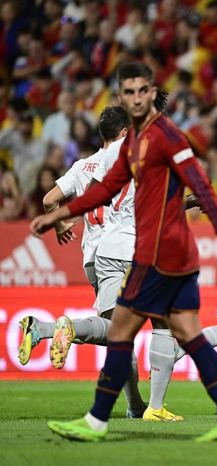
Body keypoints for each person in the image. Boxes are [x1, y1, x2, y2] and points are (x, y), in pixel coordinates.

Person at [30, 62, 217, 443]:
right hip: (150, 252)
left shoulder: (167, 136)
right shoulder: (134, 144)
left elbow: (200, 184)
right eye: (126, 92)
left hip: (166, 255)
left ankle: (97, 420)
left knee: (124, 331)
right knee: (187, 336)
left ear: (150, 95)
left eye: (140, 91)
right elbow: (103, 189)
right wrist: (61, 215)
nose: (134, 98)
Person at [18, 106, 149, 419]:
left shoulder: (82, 166)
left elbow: (49, 199)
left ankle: (135, 406)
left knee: (121, 336)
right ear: (123, 132)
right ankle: (66, 328)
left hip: (93, 256)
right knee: (121, 330)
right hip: (120, 251)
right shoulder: (126, 159)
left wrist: (62, 224)